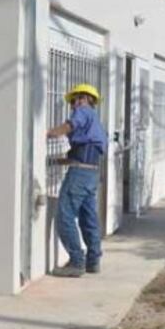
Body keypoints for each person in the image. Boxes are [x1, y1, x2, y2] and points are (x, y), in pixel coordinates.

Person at [47, 83, 108, 278]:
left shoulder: (84, 111)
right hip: (91, 172)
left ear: (86, 99)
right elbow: (82, 153)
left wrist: (46, 133)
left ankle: (76, 261)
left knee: (64, 215)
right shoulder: (95, 120)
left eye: (77, 99)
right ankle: (93, 260)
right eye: (72, 101)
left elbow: (69, 126)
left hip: (80, 174)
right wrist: (56, 161)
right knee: (88, 218)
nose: (74, 104)